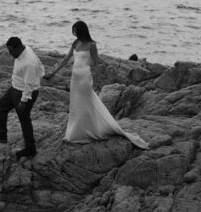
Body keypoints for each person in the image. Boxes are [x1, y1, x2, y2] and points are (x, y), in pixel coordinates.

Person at [44, 21, 149, 149]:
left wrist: (98, 80)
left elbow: (96, 64)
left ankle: (80, 133)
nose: (74, 33)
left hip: (84, 78)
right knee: (76, 105)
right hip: (75, 79)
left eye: (76, 31)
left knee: (84, 104)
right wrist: (53, 72)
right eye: (73, 31)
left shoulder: (91, 45)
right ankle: (77, 131)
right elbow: (66, 59)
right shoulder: (75, 43)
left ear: (82, 31)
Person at [0, 36, 45, 158]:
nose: (10, 53)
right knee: (1, 105)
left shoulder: (28, 63)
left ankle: (30, 148)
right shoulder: (27, 49)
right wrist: (42, 73)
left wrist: (23, 102)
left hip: (24, 93)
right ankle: (2, 134)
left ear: (18, 47)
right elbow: (39, 63)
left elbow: (29, 85)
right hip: (15, 89)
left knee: (24, 119)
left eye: (11, 50)